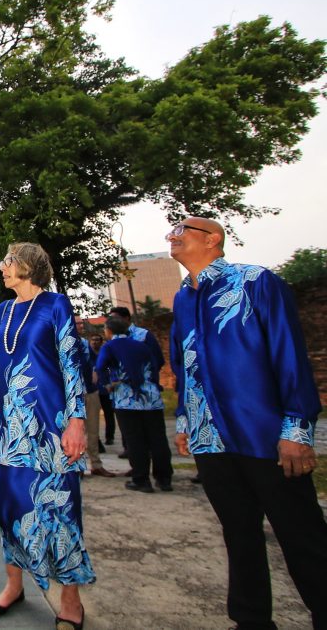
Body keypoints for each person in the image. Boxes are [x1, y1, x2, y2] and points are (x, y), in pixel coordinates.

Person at [168, 216, 326, 629]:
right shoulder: (183, 298)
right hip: (210, 438)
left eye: (182, 230)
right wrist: (185, 421)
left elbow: (288, 353)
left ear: (213, 239)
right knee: (239, 534)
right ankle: (251, 620)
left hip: (264, 434)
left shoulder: (256, 282)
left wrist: (296, 429)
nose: (173, 236)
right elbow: (184, 365)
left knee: (302, 536)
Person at [0, 242, 93, 629]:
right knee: (8, 502)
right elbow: (1, 369)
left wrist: (77, 421)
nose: (2, 266)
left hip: (50, 421)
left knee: (59, 503)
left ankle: (70, 600)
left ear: (28, 266)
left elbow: (70, 364)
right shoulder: (3, 310)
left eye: (8, 260)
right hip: (13, 425)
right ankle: (14, 586)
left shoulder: (55, 305)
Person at [95, 318, 172, 492]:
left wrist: (109, 382)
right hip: (151, 399)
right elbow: (155, 365)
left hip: (126, 398)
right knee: (158, 439)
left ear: (108, 331)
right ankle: (164, 478)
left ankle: (141, 479)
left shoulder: (110, 347)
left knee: (135, 440)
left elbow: (101, 367)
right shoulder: (141, 346)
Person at [78, 323, 115, 477]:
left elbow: (95, 361)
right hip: (71, 394)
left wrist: (95, 371)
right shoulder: (57, 343)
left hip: (90, 391)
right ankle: (76, 466)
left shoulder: (84, 343)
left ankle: (96, 464)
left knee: (92, 430)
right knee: (74, 431)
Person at [89, 334, 115, 446]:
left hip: (105, 389)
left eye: (97, 340)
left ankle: (110, 437)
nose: (94, 342)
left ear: (101, 342)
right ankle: (96, 440)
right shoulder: (88, 355)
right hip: (93, 389)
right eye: (93, 339)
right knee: (92, 418)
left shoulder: (105, 354)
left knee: (109, 414)